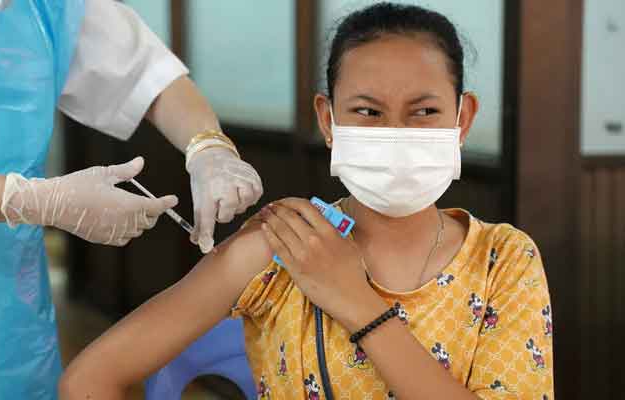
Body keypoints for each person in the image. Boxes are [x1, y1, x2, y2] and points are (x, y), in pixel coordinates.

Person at [59, 3, 554, 399]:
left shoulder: (504, 261)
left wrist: (356, 303)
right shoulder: (279, 247)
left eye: (424, 111)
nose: (396, 133)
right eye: (367, 111)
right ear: (327, 120)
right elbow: (89, 380)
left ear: (462, 119)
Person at [0, 0, 262, 398]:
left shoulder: (47, 8)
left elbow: (148, 76)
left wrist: (208, 146)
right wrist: (35, 200)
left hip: (14, 312)